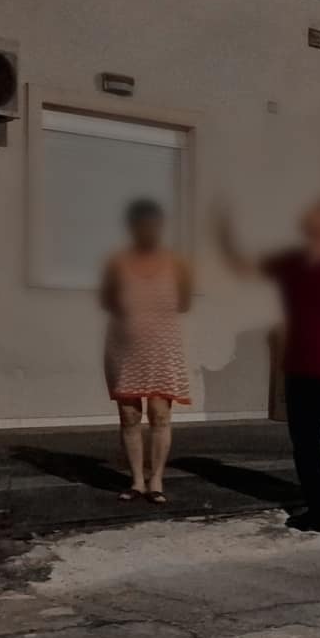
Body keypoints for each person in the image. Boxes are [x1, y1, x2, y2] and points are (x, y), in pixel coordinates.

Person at [218, 198, 320, 537]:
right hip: (298, 372)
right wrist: (226, 230)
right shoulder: (291, 263)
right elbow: (244, 266)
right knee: (305, 450)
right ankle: (318, 513)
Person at [100, 199, 193, 505]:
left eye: (152, 224)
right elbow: (107, 299)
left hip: (161, 346)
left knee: (159, 414)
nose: (146, 230)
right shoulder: (117, 262)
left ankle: (156, 480)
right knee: (129, 415)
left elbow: (184, 302)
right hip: (124, 345)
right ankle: (137, 481)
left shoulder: (175, 263)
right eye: (140, 224)